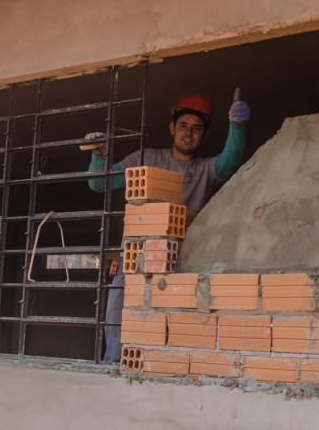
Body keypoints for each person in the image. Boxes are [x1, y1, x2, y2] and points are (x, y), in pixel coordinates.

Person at [85, 93, 251, 362]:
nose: (189, 133)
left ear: (205, 135)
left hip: (183, 263)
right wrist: (100, 156)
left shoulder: (205, 169)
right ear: (172, 128)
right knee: (119, 313)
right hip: (136, 262)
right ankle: (111, 368)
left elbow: (230, 161)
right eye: (183, 126)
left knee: (172, 331)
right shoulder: (146, 158)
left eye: (197, 128)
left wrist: (237, 128)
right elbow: (99, 184)